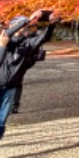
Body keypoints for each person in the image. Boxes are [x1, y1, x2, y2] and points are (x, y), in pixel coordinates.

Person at [0, 9, 57, 139]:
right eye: (17, 25)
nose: (21, 29)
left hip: (10, 87)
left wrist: (52, 24)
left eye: (23, 26)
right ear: (11, 26)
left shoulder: (27, 43)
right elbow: (8, 34)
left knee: (1, 122)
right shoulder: (4, 40)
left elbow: (44, 38)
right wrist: (28, 20)